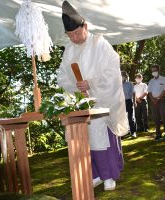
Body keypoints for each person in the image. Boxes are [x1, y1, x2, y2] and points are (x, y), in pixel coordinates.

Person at [57, 1, 129, 191]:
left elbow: (112, 68)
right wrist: (75, 85)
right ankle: (95, 174)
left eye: (77, 33)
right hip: (81, 104)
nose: (74, 37)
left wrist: (92, 83)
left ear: (85, 27)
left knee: (101, 139)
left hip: (101, 102)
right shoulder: (68, 51)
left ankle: (110, 176)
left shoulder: (100, 44)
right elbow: (62, 76)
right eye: (70, 35)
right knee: (84, 141)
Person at [147, 64, 165, 142]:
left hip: (162, 100)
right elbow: (149, 91)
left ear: (158, 70)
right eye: (152, 71)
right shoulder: (151, 81)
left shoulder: (164, 79)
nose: (154, 72)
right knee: (156, 118)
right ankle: (158, 135)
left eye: (155, 70)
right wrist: (153, 100)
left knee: (164, 118)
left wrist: (158, 98)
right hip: (153, 102)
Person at [121, 71, 137, 137]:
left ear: (126, 76)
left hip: (128, 101)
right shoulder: (118, 84)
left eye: (123, 76)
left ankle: (133, 132)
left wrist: (134, 101)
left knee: (130, 118)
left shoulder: (130, 84)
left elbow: (133, 93)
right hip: (121, 103)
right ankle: (124, 132)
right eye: (121, 76)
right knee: (122, 118)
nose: (122, 77)